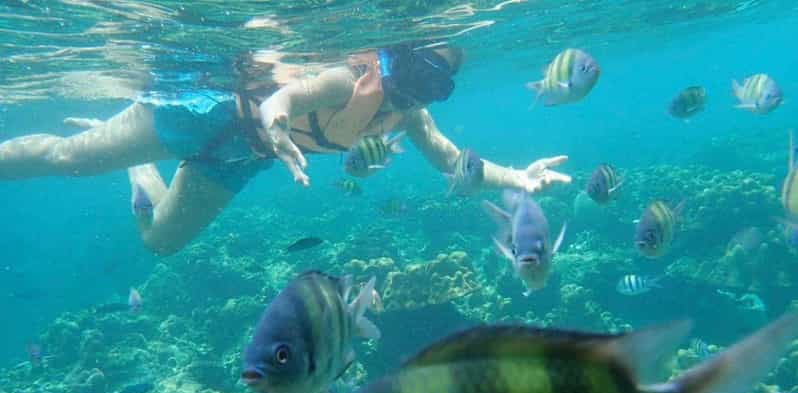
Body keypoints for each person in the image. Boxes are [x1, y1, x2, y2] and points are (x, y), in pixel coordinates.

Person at [0, 42, 571, 256]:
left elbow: (452, 161)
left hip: (241, 160)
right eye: (417, 70)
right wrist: (275, 125)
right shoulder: (348, 80)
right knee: (69, 160)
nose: (418, 89)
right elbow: (286, 99)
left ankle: (142, 170)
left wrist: (518, 177)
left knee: (160, 244)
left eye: (435, 85)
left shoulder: (409, 115)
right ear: (396, 56)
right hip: (199, 117)